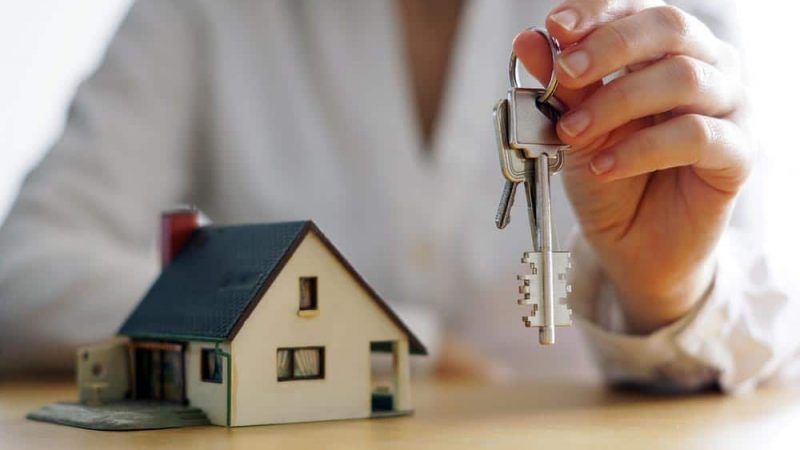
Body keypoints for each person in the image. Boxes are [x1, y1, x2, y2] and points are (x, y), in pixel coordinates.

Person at [0, 0, 795, 393]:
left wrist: (668, 293)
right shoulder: (202, 14)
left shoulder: (651, 26)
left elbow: (768, 340)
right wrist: (380, 344)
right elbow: (24, 277)